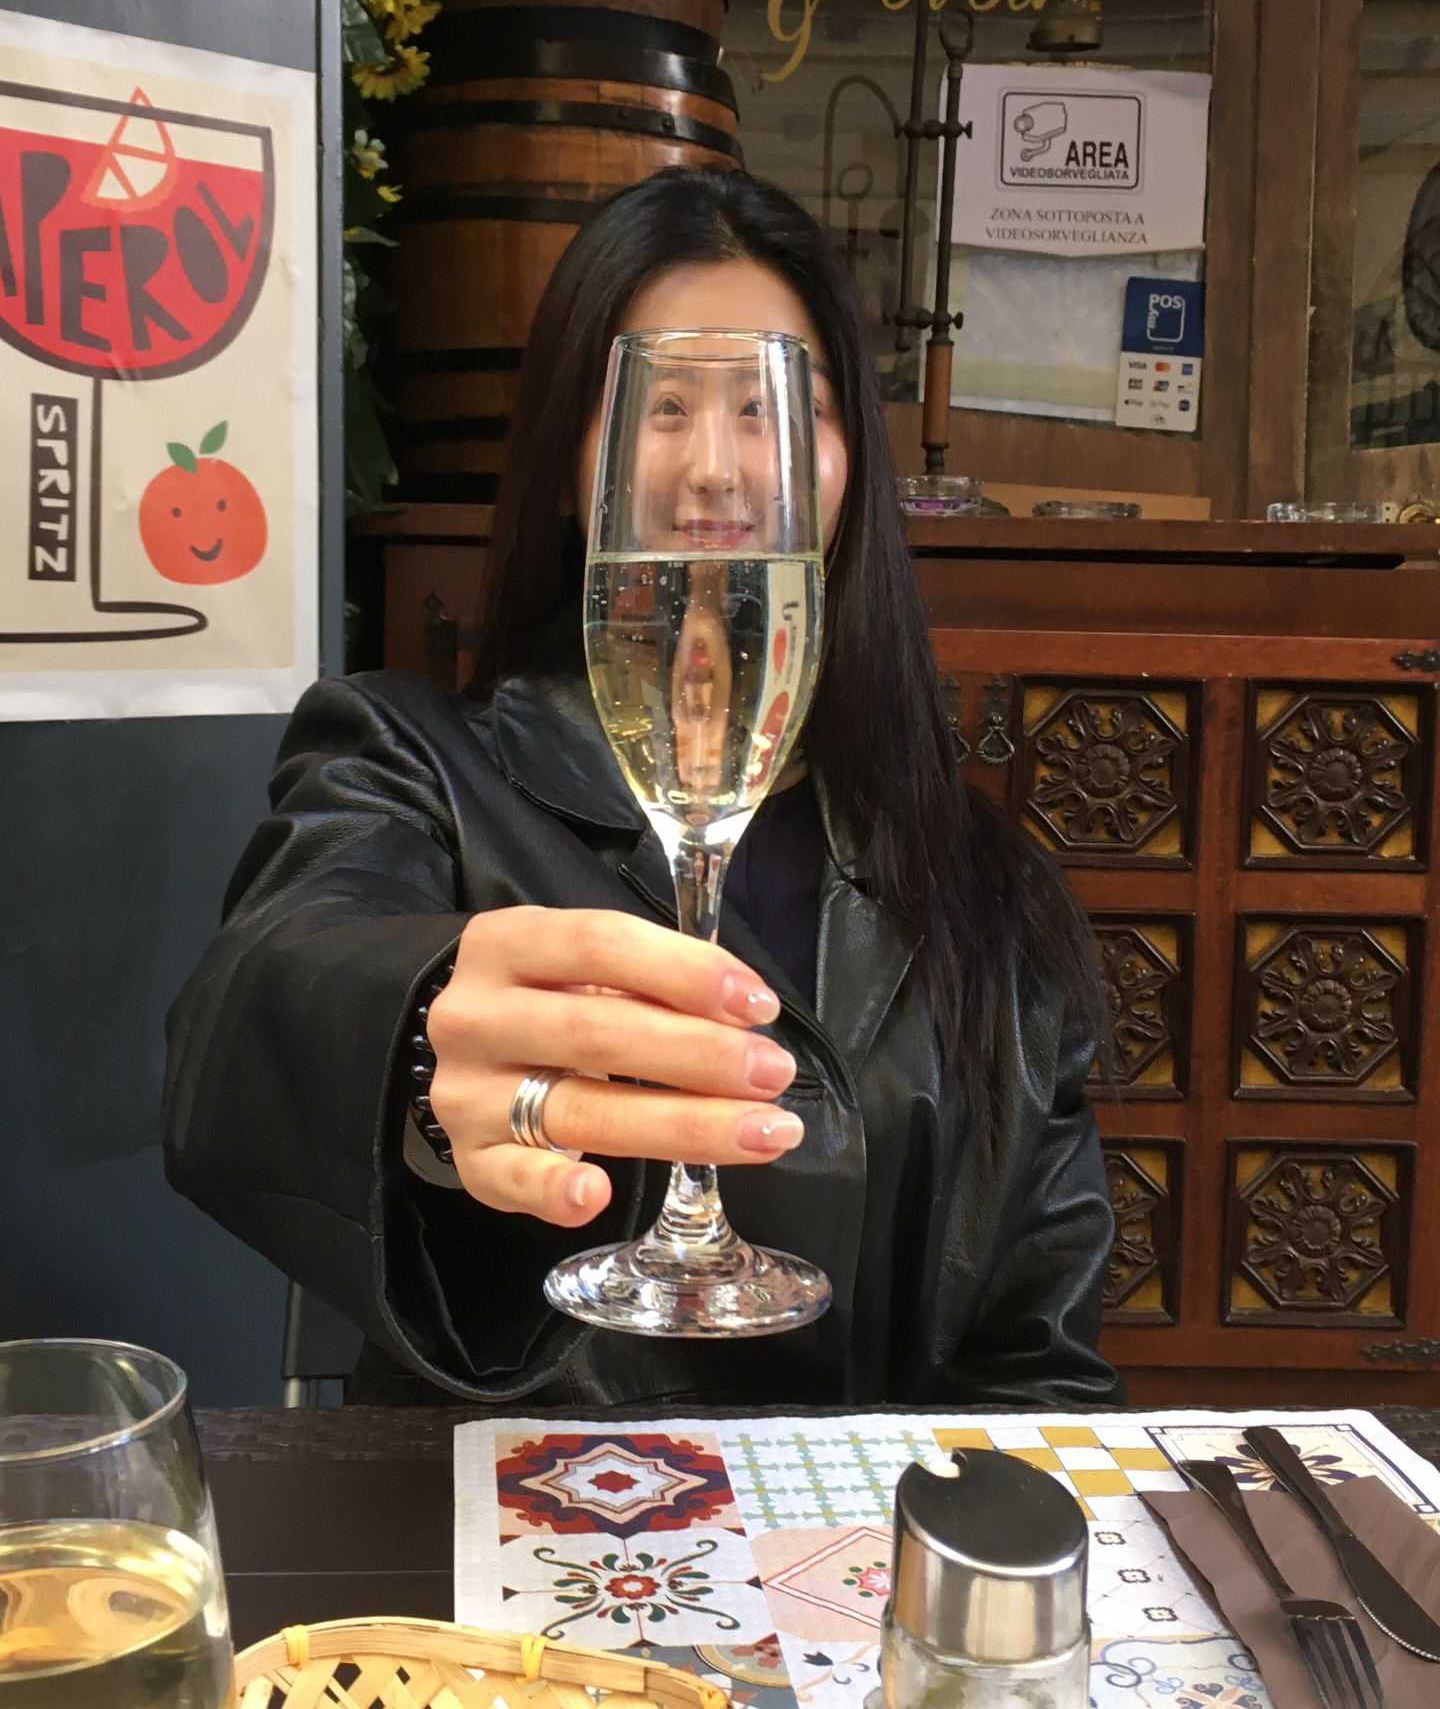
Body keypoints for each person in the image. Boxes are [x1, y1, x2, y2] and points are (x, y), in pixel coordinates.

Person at [164, 167, 1121, 1411]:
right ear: (574, 466)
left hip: (867, 1527)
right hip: (506, 1514)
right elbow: (255, 998)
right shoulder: (408, 760)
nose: (716, 468)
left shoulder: (988, 886)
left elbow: (1044, 1370)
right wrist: (414, 1048)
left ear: (847, 466)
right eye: (660, 406)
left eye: (772, 407)